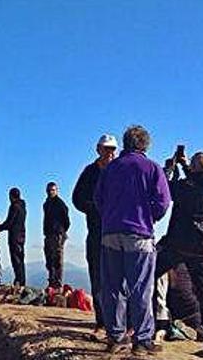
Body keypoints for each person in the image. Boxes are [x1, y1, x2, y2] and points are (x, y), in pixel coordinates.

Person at [94, 125, 171, 355]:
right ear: (145, 145)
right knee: (141, 288)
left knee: (113, 287)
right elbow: (163, 202)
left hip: (110, 233)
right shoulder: (152, 168)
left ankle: (116, 337)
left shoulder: (110, 168)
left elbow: (98, 199)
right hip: (139, 233)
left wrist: (110, 216)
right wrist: (150, 217)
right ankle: (142, 339)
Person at [155, 150, 203, 357]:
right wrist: (186, 166)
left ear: (194, 168)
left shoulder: (185, 187)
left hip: (178, 246)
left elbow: (167, 188)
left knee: (149, 276)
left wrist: (171, 168)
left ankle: (140, 325)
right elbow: (196, 181)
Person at [72, 133, 118, 335]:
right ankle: (101, 322)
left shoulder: (121, 171)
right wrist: (95, 208)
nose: (109, 153)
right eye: (106, 148)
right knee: (98, 278)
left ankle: (120, 323)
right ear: (98, 149)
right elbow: (77, 198)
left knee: (119, 279)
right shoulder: (90, 172)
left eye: (112, 149)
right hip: (96, 232)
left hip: (118, 232)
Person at [42, 181, 70, 289]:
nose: (50, 192)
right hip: (48, 234)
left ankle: (57, 283)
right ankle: (51, 282)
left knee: (57, 259)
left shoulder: (60, 204)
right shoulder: (46, 204)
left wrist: (61, 231)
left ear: (57, 191)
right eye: (49, 190)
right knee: (49, 259)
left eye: (53, 190)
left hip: (57, 234)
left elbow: (66, 220)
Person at [0, 187, 27, 287]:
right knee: (21, 259)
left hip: (14, 236)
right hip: (22, 235)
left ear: (11, 196)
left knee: (16, 260)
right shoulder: (23, 206)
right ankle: (21, 281)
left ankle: (19, 281)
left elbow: (10, 222)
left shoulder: (14, 206)